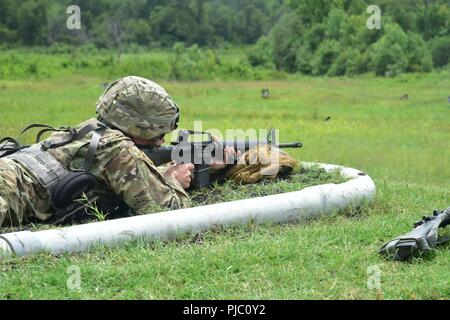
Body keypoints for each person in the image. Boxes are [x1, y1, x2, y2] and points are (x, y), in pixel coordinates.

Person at [0, 76, 237, 228]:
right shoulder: (119, 150)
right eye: (158, 132)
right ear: (138, 124)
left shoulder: (90, 130)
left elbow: (125, 177)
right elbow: (169, 214)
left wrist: (201, 165)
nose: (162, 139)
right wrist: (172, 180)